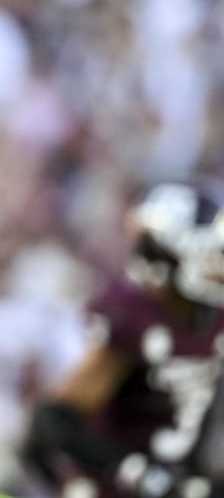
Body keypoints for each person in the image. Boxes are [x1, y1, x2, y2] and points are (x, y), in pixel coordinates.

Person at [24, 180, 224, 498]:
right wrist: (138, 474)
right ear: (169, 255)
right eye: (208, 256)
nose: (218, 268)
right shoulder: (135, 317)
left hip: (179, 477)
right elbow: (54, 421)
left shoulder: (214, 316)